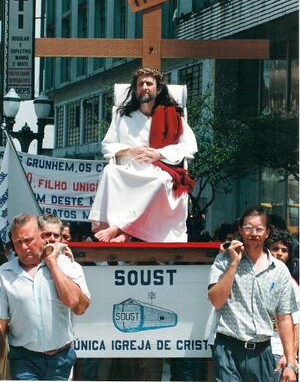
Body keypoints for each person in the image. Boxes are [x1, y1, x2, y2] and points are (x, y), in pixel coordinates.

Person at [89, 67, 197, 243]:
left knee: (159, 182)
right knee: (109, 171)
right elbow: (107, 146)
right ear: (135, 89)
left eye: (149, 83)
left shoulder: (173, 115)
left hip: (158, 169)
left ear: (158, 89)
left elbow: (189, 146)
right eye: (140, 84)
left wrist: (158, 153)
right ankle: (124, 231)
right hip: (130, 168)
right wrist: (129, 151)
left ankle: (121, 229)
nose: (144, 87)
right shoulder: (122, 116)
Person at [208, 205, 298, 382]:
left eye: (259, 229)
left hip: (262, 351)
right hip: (228, 348)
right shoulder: (223, 260)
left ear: (267, 232)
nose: (253, 233)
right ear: (240, 230)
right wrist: (233, 264)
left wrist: (291, 363)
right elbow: (216, 301)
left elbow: (285, 317)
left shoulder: (279, 270)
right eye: (248, 228)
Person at [0, 213, 90, 380]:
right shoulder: (4, 273)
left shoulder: (65, 264)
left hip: (60, 359)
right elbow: (1, 324)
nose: (24, 247)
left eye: (29, 240)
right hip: (24, 360)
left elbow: (74, 303)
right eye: (18, 242)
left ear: (41, 237)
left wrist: (53, 264)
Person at [267, 230, 299, 382]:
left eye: (284, 250)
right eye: (275, 249)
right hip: (257, 351)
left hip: (278, 352)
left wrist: (289, 357)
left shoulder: (291, 285)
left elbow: (296, 325)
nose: (279, 253)